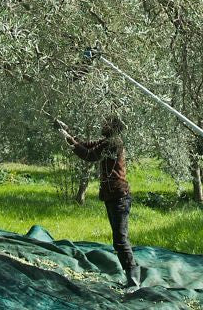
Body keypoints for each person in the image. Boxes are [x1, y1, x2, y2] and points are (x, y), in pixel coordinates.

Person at [58, 115, 140, 289]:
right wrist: (68, 133)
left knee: (120, 240)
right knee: (119, 239)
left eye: (106, 123)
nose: (102, 125)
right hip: (113, 197)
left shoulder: (114, 143)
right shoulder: (108, 141)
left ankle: (133, 280)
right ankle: (131, 277)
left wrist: (68, 138)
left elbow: (89, 155)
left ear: (113, 127)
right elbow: (88, 146)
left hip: (119, 197)